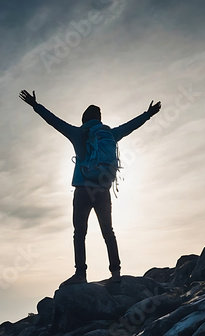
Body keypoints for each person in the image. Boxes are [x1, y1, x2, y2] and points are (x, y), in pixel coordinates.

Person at [19, 89, 161, 286]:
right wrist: (148, 114)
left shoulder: (79, 133)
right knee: (108, 231)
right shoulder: (109, 133)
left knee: (80, 232)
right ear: (99, 119)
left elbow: (54, 121)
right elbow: (130, 126)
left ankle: (81, 274)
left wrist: (35, 105)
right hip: (103, 189)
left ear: (84, 119)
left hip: (83, 190)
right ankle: (116, 272)